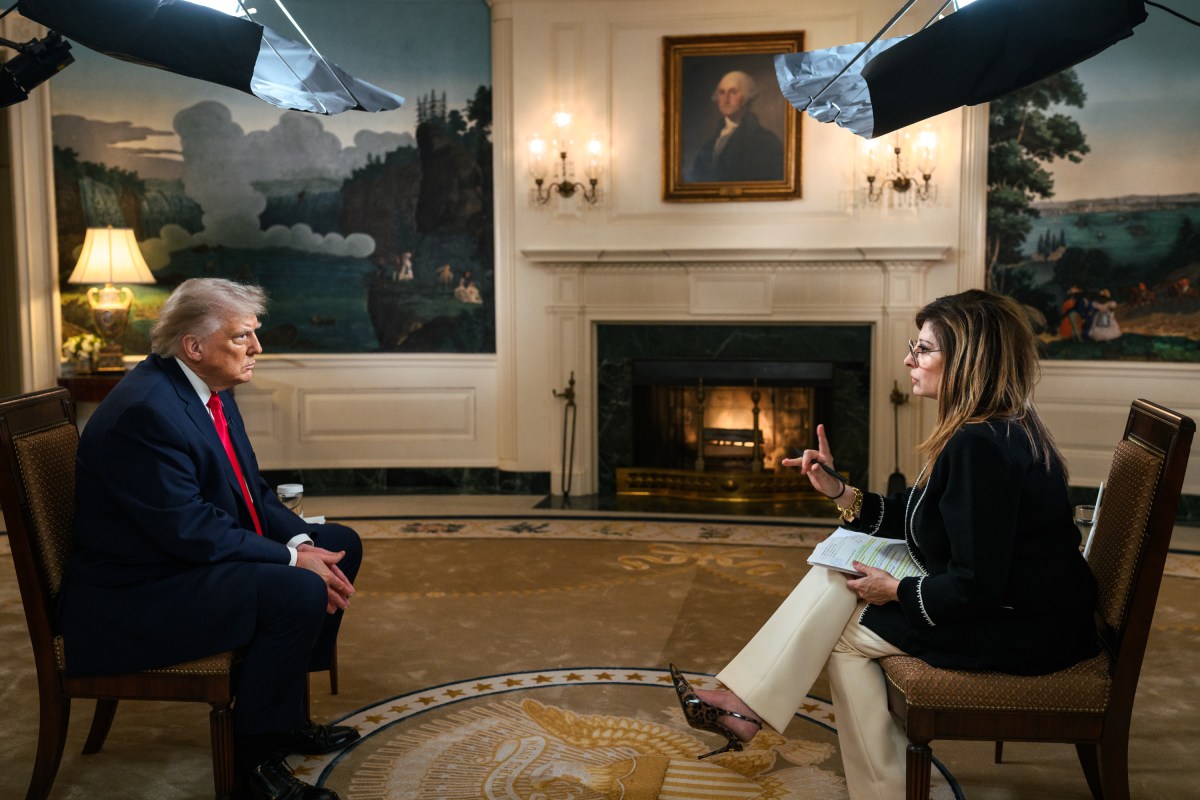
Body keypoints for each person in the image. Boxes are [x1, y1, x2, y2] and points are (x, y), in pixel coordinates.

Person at [670, 289, 1098, 799]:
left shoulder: (980, 447)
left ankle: (864, 779)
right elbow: (923, 516)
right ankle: (742, 708)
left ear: (964, 361)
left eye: (923, 349)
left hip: (1026, 627)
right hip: (1030, 608)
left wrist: (897, 590)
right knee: (838, 574)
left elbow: (976, 586)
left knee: (845, 637)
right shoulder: (990, 428)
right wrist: (840, 491)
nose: (908, 360)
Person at [60, 278, 363, 800]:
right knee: (297, 589)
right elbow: (192, 530)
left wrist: (301, 541)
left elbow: (251, 491)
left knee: (340, 542)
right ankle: (253, 768)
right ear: (194, 347)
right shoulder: (146, 412)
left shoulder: (205, 388)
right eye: (242, 336)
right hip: (136, 595)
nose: (257, 348)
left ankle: (284, 713)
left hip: (173, 561)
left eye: (254, 334)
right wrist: (291, 559)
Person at [690, 70, 784, 183]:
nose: (725, 99)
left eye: (733, 92)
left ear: (747, 97)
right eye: (721, 93)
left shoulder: (767, 141)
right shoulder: (709, 144)